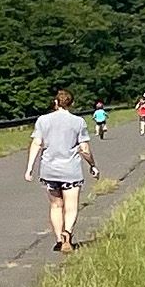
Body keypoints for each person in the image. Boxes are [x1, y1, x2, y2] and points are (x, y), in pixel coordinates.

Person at [26, 87, 97, 254]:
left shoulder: (43, 120)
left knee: (56, 205)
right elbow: (84, 148)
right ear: (72, 104)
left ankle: (59, 239)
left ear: (55, 102)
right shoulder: (78, 122)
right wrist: (92, 165)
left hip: (49, 170)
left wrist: (29, 167)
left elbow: (36, 143)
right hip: (71, 170)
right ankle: (68, 233)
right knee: (71, 206)